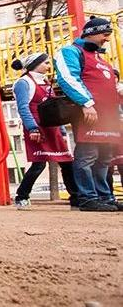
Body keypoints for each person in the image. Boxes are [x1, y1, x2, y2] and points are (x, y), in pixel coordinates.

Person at [53, 16, 122, 212]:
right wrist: (86, 103)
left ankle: (105, 196)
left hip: (108, 117)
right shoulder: (71, 51)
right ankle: (87, 197)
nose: (107, 39)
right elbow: (68, 77)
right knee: (87, 156)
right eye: (104, 34)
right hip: (90, 114)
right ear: (91, 33)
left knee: (104, 159)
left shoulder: (102, 59)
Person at [10, 52, 78, 210]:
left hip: (52, 127)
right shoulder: (24, 82)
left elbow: (55, 109)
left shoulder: (46, 82)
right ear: (35, 64)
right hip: (37, 127)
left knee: (67, 162)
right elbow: (23, 108)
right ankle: (22, 196)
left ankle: (76, 198)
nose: (49, 66)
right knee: (39, 164)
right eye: (46, 63)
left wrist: (61, 130)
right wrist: (32, 128)